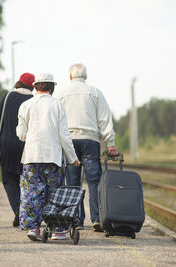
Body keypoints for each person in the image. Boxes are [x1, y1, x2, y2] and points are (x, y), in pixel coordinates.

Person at [16, 73, 80, 241]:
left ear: (36, 86)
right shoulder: (57, 105)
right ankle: (57, 230)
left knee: (31, 193)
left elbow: (21, 134)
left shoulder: (26, 105)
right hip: (53, 157)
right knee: (54, 194)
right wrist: (73, 157)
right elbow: (64, 135)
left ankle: (33, 228)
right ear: (52, 87)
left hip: (31, 156)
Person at [56, 63, 118, 232]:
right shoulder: (95, 92)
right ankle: (97, 219)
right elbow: (105, 119)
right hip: (91, 141)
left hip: (70, 141)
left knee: (73, 183)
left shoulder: (61, 94)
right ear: (86, 76)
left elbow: (57, 119)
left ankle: (76, 221)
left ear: (70, 76)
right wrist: (110, 143)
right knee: (94, 182)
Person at [0, 73, 35, 227]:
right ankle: (26, 212)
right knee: (28, 181)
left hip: (7, 144)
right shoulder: (34, 100)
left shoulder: (8, 97)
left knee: (9, 180)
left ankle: (18, 211)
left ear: (19, 83)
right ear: (32, 86)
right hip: (28, 145)